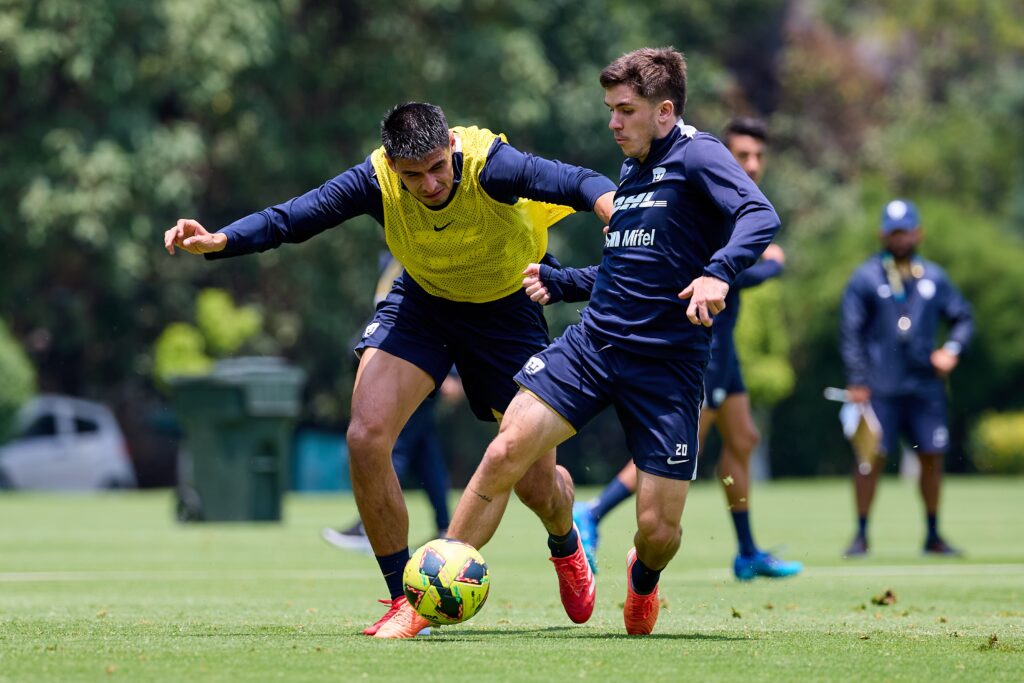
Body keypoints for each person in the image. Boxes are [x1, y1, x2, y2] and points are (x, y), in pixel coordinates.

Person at [164, 102, 616, 638]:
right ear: (393, 165)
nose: (428, 185)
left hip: (506, 312)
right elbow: (295, 217)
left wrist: (614, 209)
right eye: (413, 175)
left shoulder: (492, 165)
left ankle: (566, 542)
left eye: (436, 168)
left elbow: (580, 181)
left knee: (537, 487)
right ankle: (405, 599)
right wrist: (222, 239)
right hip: (423, 304)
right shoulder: (376, 179)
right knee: (365, 435)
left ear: (451, 146)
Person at [444, 47, 781, 635]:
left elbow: (759, 215)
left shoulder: (700, 155)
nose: (613, 123)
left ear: (664, 111)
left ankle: (642, 578)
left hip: (667, 367)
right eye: (610, 110)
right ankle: (427, 594)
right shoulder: (633, 167)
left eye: (625, 110)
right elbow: (632, 267)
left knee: (658, 532)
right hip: (595, 344)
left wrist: (719, 272)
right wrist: (566, 281)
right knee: (506, 448)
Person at [525, 118, 802, 581]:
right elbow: (704, 272)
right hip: (690, 344)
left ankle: (747, 549)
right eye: (742, 155)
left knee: (743, 440)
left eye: (758, 156)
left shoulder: (736, 199)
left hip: (725, 346)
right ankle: (595, 510)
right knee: (676, 449)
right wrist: (768, 268)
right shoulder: (698, 185)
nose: (752, 165)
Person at [839, 199, 973, 558]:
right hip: (879, 387)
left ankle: (933, 534)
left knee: (932, 456)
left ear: (918, 233)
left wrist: (952, 350)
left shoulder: (934, 277)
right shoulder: (865, 277)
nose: (900, 238)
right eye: (893, 232)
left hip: (925, 386)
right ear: (882, 234)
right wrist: (857, 379)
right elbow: (850, 332)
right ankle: (861, 535)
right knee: (869, 459)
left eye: (905, 231)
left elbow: (963, 317)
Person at [321, 255, 463, 554]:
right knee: (425, 451)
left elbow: (447, 307)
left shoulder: (430, 249)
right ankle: (446, 528)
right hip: (398, 359)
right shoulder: (390, 257)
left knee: (389, 447)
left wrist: (452, 372)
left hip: (416, 364)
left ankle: (370, 525)